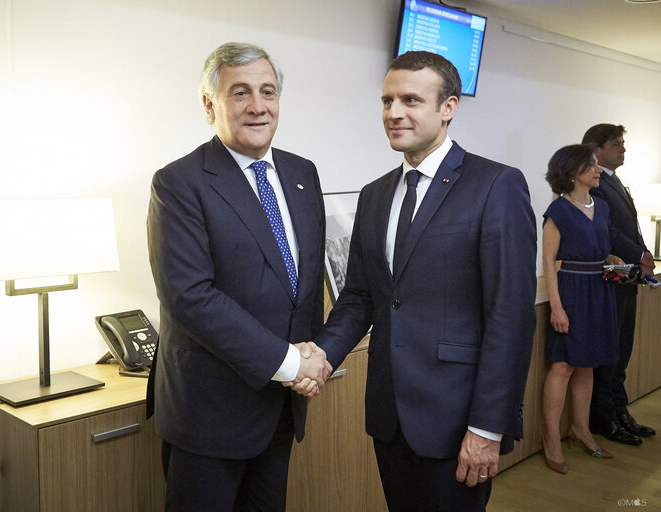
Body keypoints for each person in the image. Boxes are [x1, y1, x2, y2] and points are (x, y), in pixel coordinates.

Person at [290, 51, 537, 511]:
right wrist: (321, 353)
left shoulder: (495, 185)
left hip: (458, 419)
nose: (394, 113)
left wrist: (488, 427)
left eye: (410, 100)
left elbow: (511, 317)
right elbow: (360, 297)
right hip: (389, 414)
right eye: (387, 101)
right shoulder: (375, 194)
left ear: (449, 107)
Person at [147, 42, 331, 512]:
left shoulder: (301, 173)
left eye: (267, 92)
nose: (257, 106)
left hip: (279, 409)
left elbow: (305, 283)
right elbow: (191, 298)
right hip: (209, 416)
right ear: (210, 105)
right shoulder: (179, 183)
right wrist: (292, 364)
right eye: (240, 92)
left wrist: (313, 353)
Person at [541, 144, 623, 474]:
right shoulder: (557, 211)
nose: (598, 169)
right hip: (572, 291)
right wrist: (557, 308)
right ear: (573, 172)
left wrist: (610, 259)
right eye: (591, 165)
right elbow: (548, 261)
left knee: (587, 366)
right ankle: (551, 440)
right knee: (563, 367)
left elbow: (598, 248)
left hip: (599, 290)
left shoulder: (601, 207)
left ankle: (581, 430)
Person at [582, 124, 656, 445]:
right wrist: (640, 252)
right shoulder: (594, 183)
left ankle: (620, 411)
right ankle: (604, 418)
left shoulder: (614, 181)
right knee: (609, 354)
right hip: (609, 279)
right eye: (617, 144)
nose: (623, 150)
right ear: (597, 150)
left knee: (622, 352)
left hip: (627, 277)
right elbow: (608, 229)